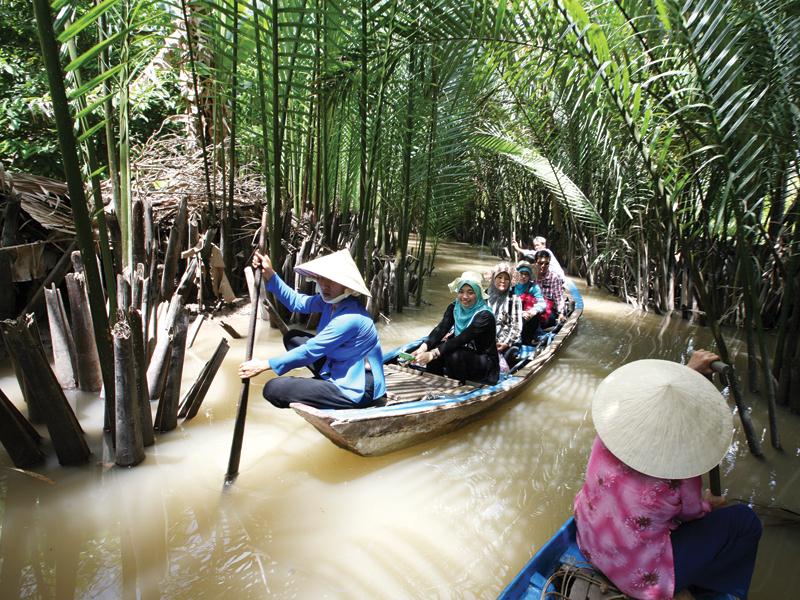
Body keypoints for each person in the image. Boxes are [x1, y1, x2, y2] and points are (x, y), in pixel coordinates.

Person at [573, 350, 762, 600]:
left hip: (587, 543)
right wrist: (709, 504)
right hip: (637, 578)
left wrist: (688, 372)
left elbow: (655, 401)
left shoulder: (611, 432)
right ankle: (712, 590)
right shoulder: (682, 471)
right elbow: (691, 513)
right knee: (745, 521)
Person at [238, 249, 386, 409]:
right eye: (321, 278)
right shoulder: (330, 303)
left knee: (273, 389)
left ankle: (337, 394)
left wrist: (264, 365)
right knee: (293, 338)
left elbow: (310, 351)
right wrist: (270, 274)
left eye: (332, 280)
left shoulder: (350, 318)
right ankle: (326, 381)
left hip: (359, 386)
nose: (324, 285)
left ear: (346, 286)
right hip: (340, 364)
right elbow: (297, 302)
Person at [411, 271, 499, 385]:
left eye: (470, 292)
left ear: (477, 294)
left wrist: (432, 354)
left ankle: (457, 388)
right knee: (438, 349)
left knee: (453, 354)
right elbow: (441, 329)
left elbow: (462, 338)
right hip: (462, 354)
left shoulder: (484, 315)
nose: (465, 297)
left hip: (484, 363)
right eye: (461, 292)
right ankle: (434, 384)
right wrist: (422, 348)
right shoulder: (454, 307)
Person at [513, 261, 546, 345]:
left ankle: (527, 341)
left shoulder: (534, 287)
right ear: (517, 274)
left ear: (529, 276)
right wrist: (520, 313)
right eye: (521, 273)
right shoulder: (511, 286)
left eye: (526, 274)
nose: (523, 276)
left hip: (529, 317)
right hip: (513, 314)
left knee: (533, 318)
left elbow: (542, 303)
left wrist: (532, 311)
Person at [532, 250, 565, 328]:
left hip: (548, 308)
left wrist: (561, 313)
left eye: (546, 263)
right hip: (532, 305)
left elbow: (558, 298)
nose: (543, 266)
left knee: (547, 319)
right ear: (535, 263)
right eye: (540, 263)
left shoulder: (554, 277)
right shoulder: (529, 274)